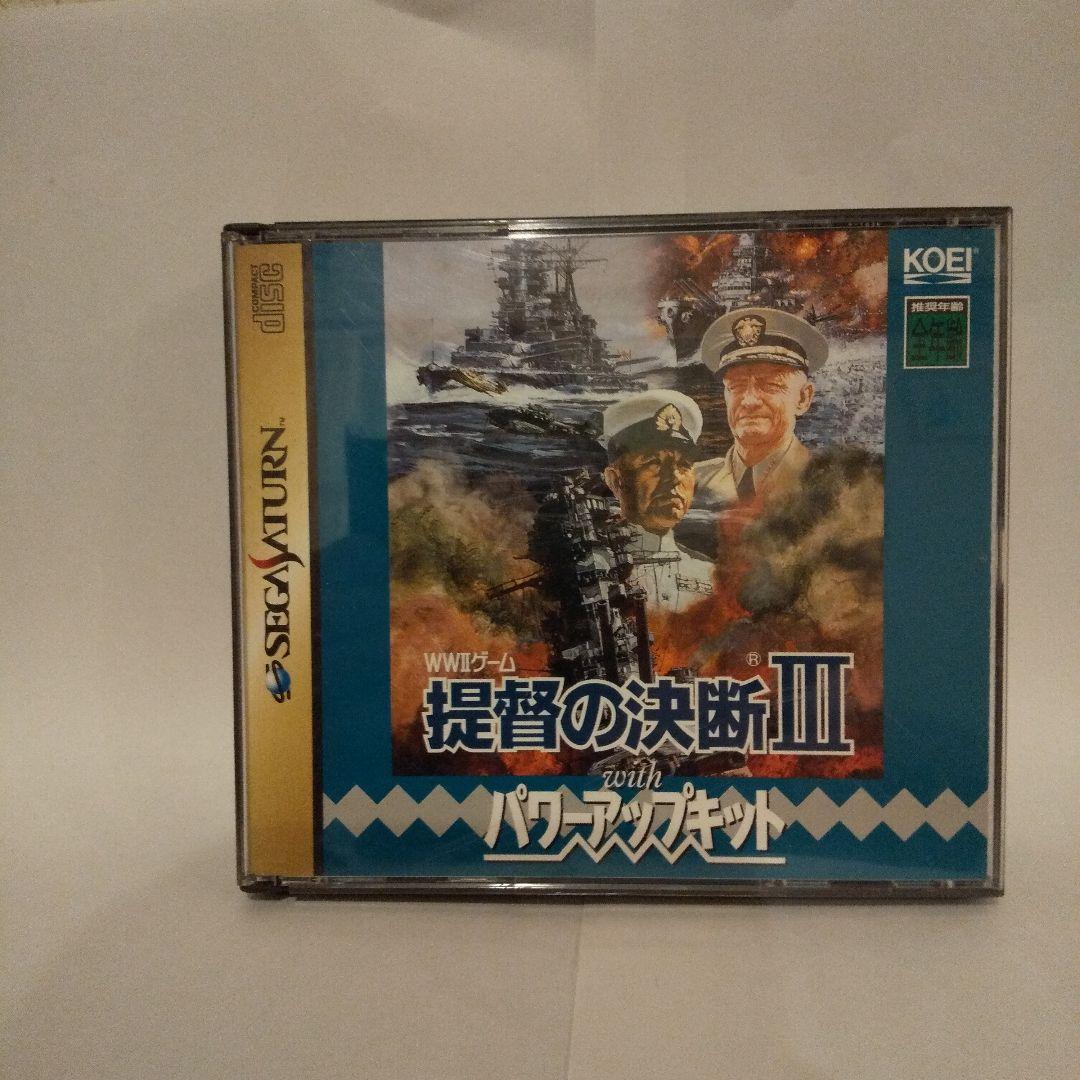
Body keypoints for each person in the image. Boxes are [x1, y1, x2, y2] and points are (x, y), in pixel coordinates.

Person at [693, 307, 829, 509]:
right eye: (736, 386)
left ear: (803, 398)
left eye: (770, 385)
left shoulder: (829, 484)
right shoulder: (690, 482)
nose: (749, 401)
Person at [600, 390, 713, 611]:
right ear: (615, 480)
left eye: (684, 465)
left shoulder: (710, 574)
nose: (674, 477)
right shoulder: (594, 568)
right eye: (653, 462)